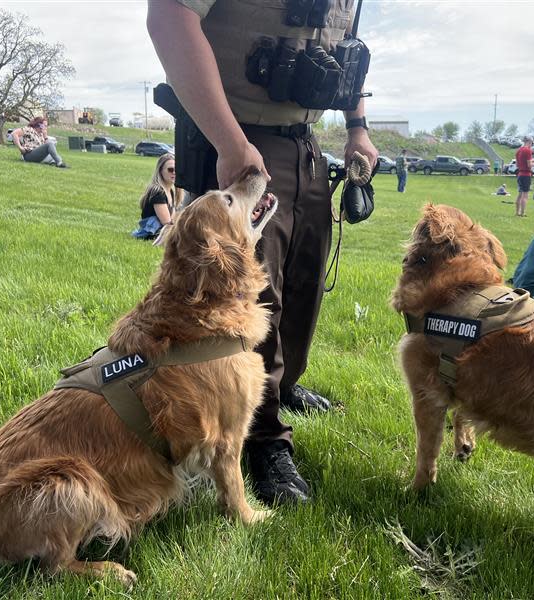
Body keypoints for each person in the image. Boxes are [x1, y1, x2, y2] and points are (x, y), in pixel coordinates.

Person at [148, 0, 378, 505]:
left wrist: (357, 127)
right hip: (238, 135)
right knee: (247, 297)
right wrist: (229, 141)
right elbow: (169, 17)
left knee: (302, 283)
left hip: (306, 141)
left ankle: (283, 385)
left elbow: (347, 51)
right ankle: (261, 435)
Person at [131, 153, 177, 240]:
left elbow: (173, 219)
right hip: (151, 233)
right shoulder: (158, 192)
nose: (174, 172)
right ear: (160, 171)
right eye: (170, 169)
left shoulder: (170, 191)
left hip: (161, 231)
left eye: (177, 169)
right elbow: (166, 223)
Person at [515, 136, 534, 217]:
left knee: (519, 194)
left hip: (519, 174)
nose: (531, 145)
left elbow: (517, 164)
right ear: (529, 142)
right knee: (525, 195)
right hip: (526, 175)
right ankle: (523, 213)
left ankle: (517, 212)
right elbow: (529, 165)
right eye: (532, 143)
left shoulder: (518, 150)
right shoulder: (528, 150)